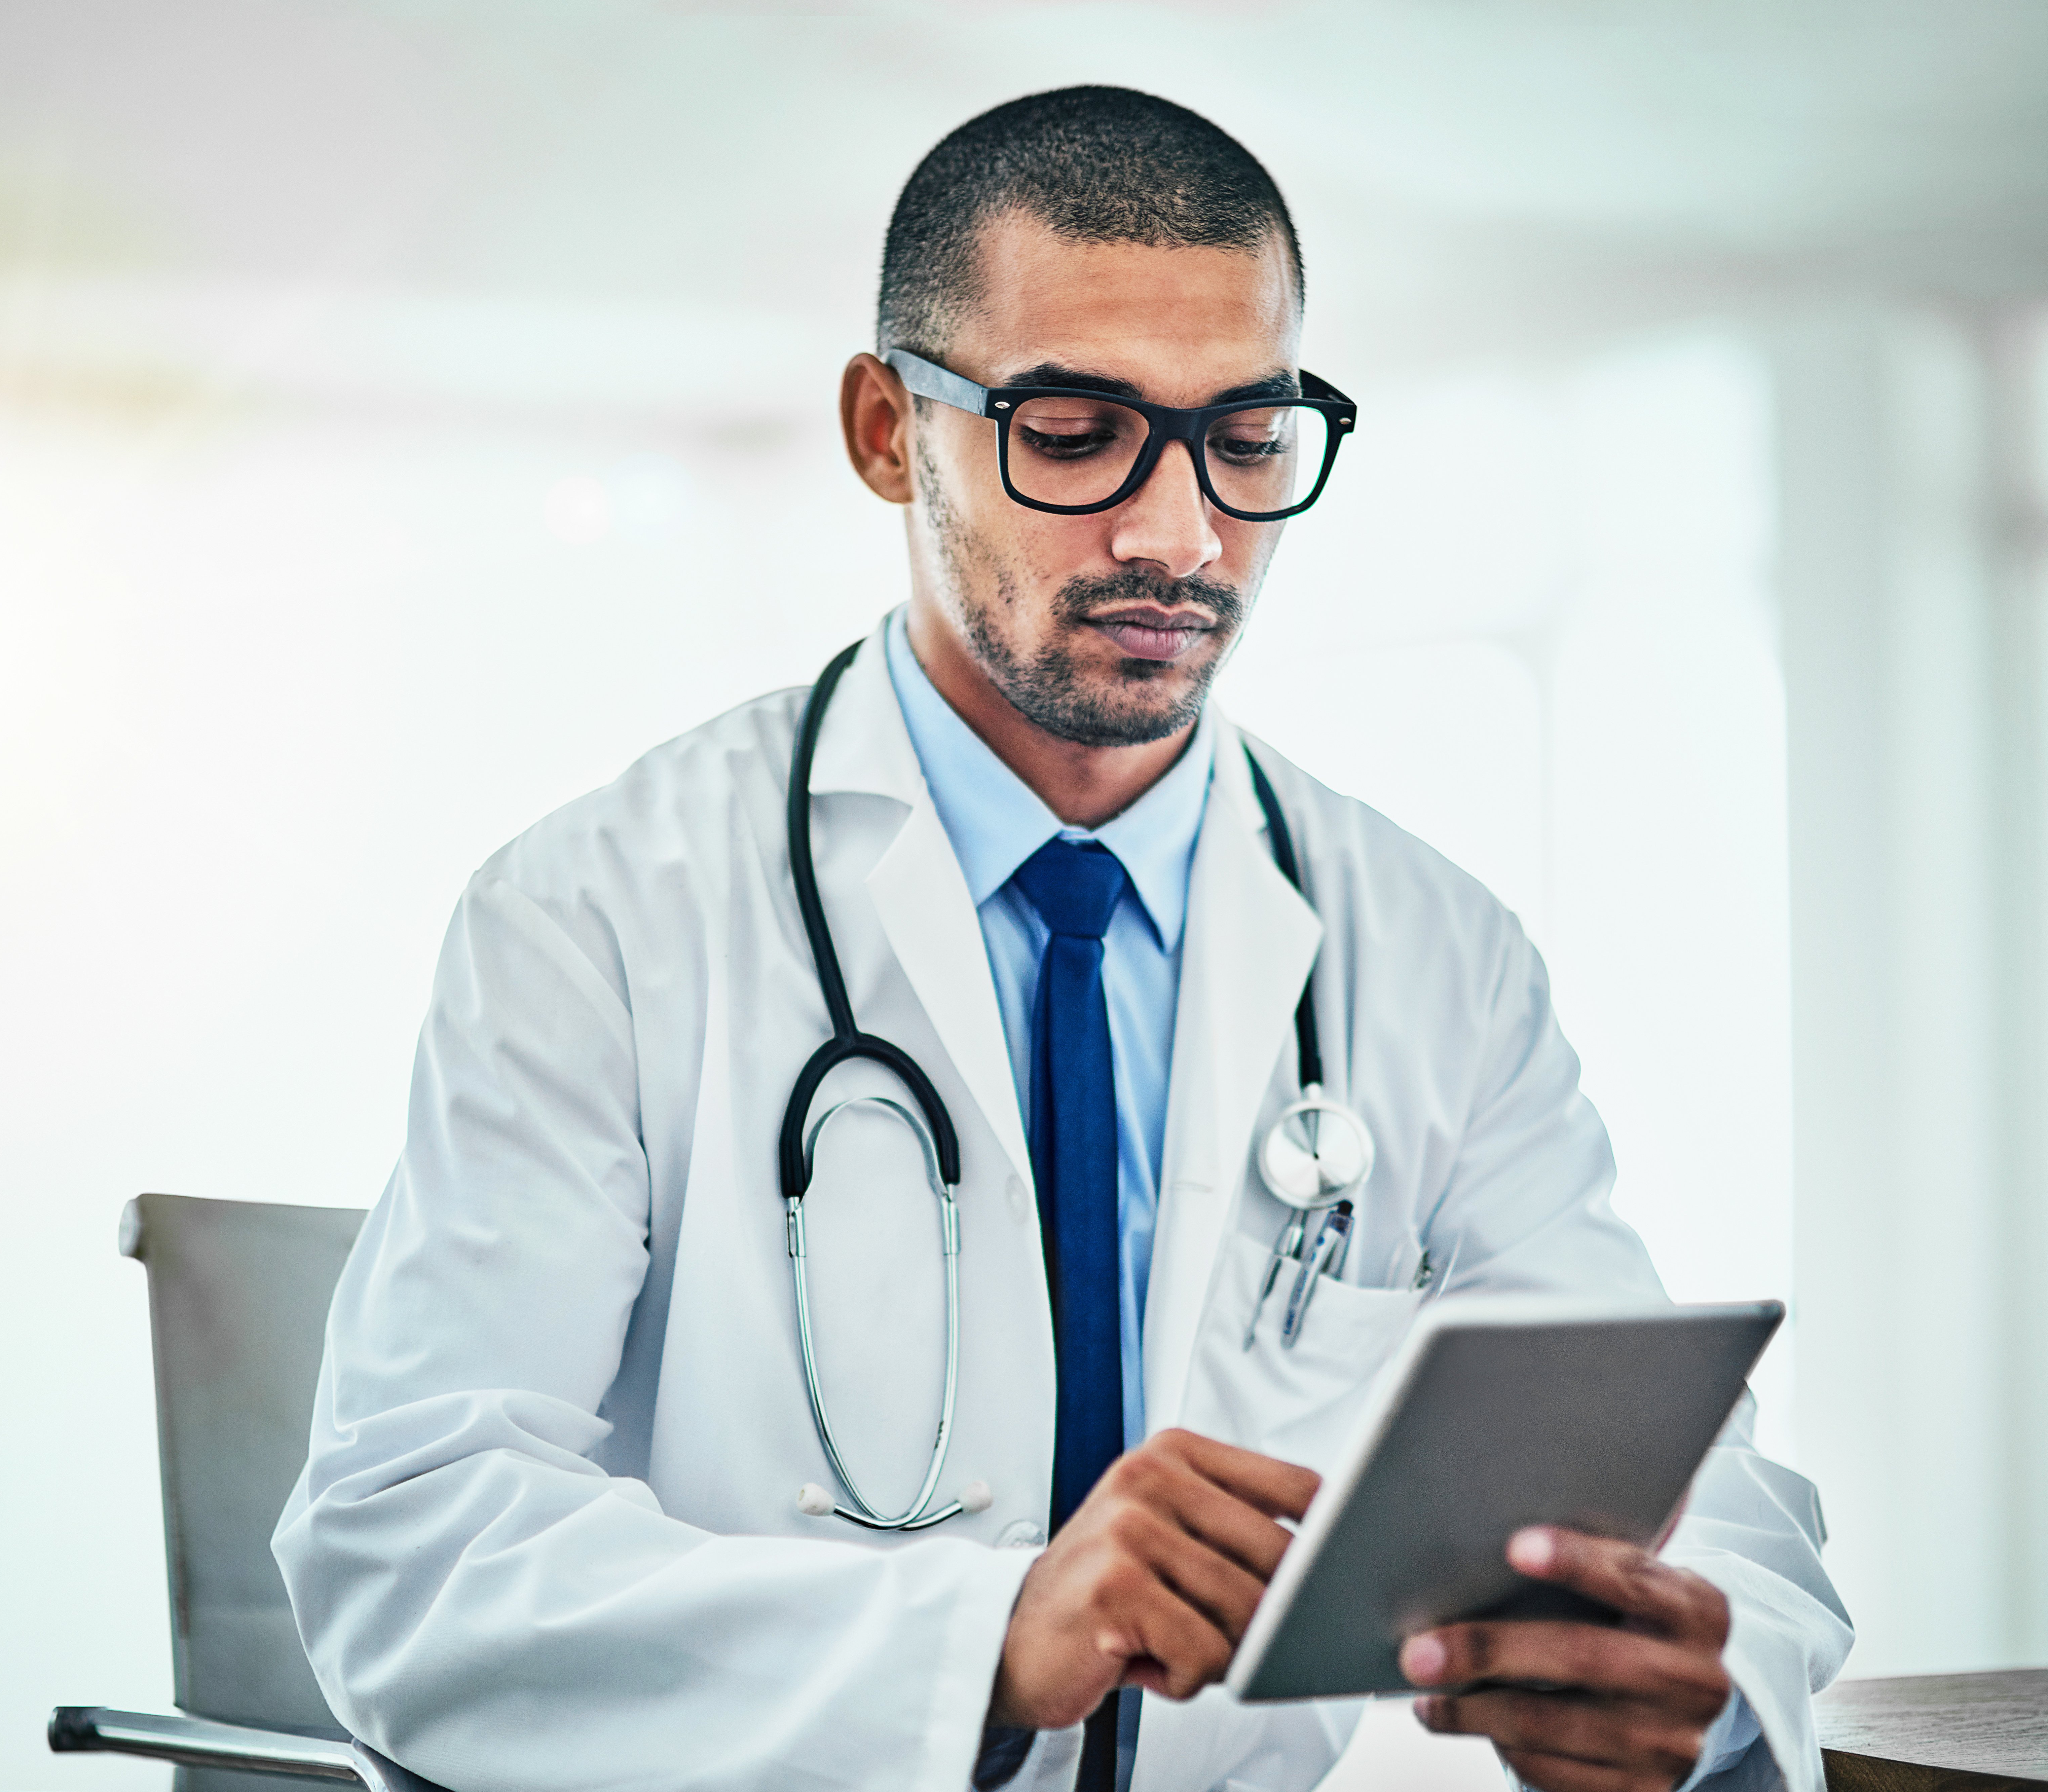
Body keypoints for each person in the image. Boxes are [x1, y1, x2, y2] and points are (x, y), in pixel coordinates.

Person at [273, 87, 1850, 1792]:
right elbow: (409, 1547)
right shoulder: (599, 914)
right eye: (1079, 428)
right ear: (889, 431)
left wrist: (1703, 1670)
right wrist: (980, 1644)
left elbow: (1685, 1476)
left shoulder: (1432, 956)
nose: (1181, 534)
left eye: (1248, 437)